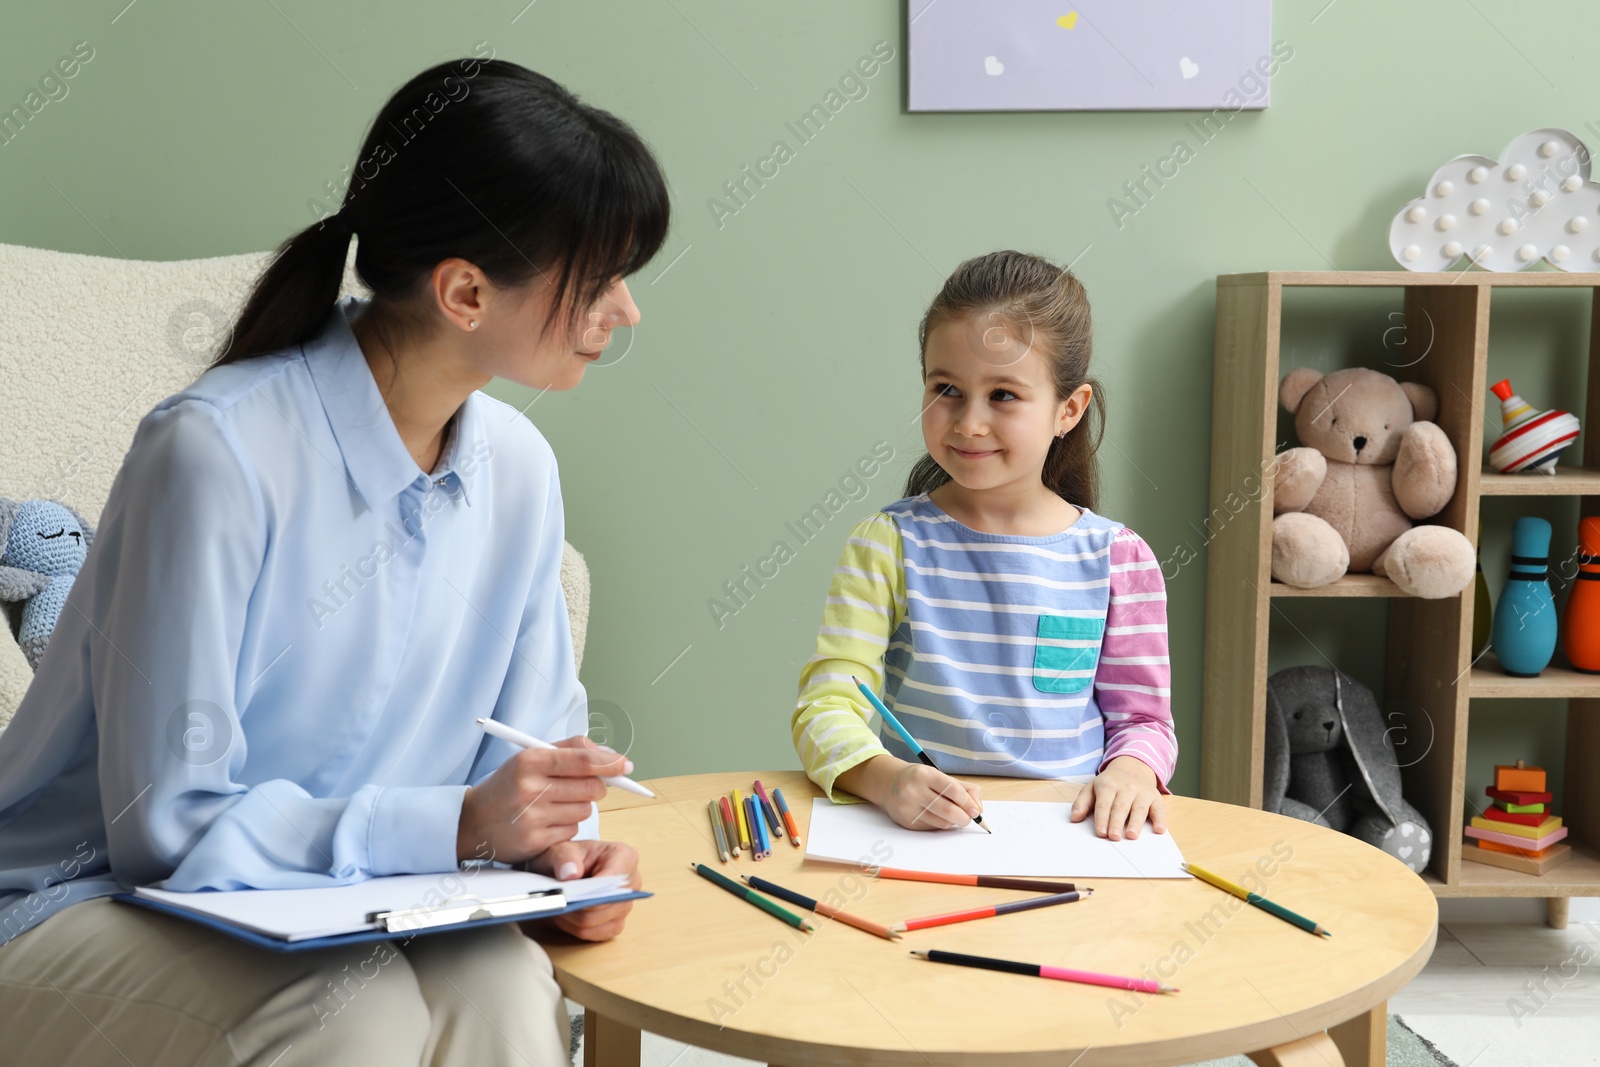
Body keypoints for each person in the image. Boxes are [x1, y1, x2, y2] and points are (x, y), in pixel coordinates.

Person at [0, 56, 669, 1066]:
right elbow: (166, 828)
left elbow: (519, 758)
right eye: (599, 280)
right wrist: (456, 825)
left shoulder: (519, 472)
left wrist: (552, 845)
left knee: (499, 981)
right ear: (464, 291)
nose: (624, 312)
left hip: (346, 901)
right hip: (84, 898)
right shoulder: (214, 453)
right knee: (346, 1013)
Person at [790, 250, 1177, 841]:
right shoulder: (887, 544)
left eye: (1003, 395)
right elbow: (826, 706)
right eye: (946, 388)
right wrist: (886, 779)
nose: (969, 422)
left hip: (1072, 842)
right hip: (918, 837)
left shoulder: (1119, 559)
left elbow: (1144, 722)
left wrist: (1131, 771)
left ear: (1067, 410)